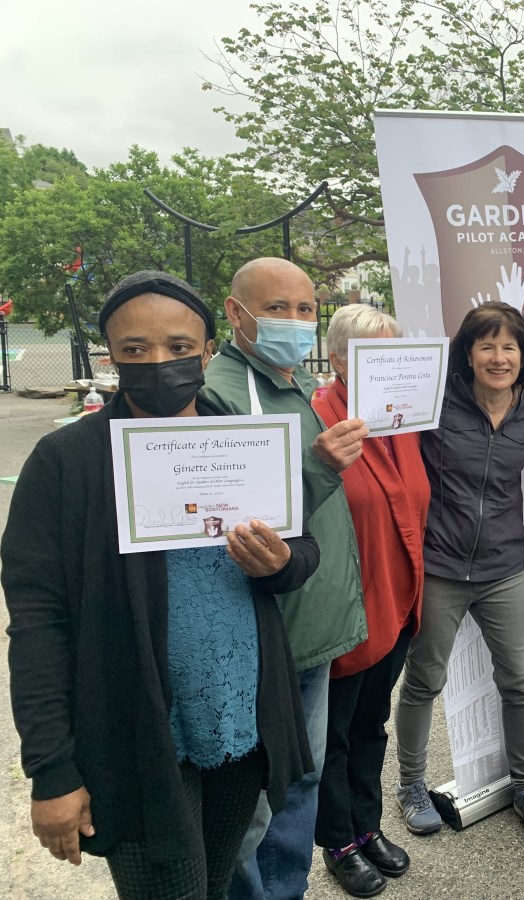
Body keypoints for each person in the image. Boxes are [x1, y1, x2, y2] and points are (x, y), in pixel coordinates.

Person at [2, 271, 315, 899]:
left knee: (220, 879)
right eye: (135, 349)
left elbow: (302, 554)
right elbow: (38, 623)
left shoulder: (244, 442)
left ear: (206, 351)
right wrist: (52, 771)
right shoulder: (68, 461)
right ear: (109, 355)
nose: (158, 362)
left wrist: (277, 563)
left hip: (237, 727)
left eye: (178, 347)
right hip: (138, 741)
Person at [200, 258, 369, 900]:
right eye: (278, 309)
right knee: (256, 801)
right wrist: (321, 465)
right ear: (236, 313)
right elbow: (235, 522)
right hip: (265, 636)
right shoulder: (217, 394)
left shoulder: (289, 384)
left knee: (303, 776)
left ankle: (285, 889)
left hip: (311, 630)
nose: (296, 322)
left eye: (306, 310)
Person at [393, 302, 524, 845]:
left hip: (502, 565)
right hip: (440, 565)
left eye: (509, 346)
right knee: (424, 680)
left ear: (523, 355)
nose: (498, 357)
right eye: (486, 345)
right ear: (467, 352)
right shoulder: (437, 403)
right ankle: (411, 785)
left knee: (522, 680)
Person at [311, 305, 428, 897]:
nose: (389, 365)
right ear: (337, 360)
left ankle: (368, 824)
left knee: (370, 725)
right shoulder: (319, 420)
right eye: (372, 354)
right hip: (348, 611)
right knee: (333, 734)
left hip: (398, 601)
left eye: (393, 353)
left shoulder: (400, 420)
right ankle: (337, 841)